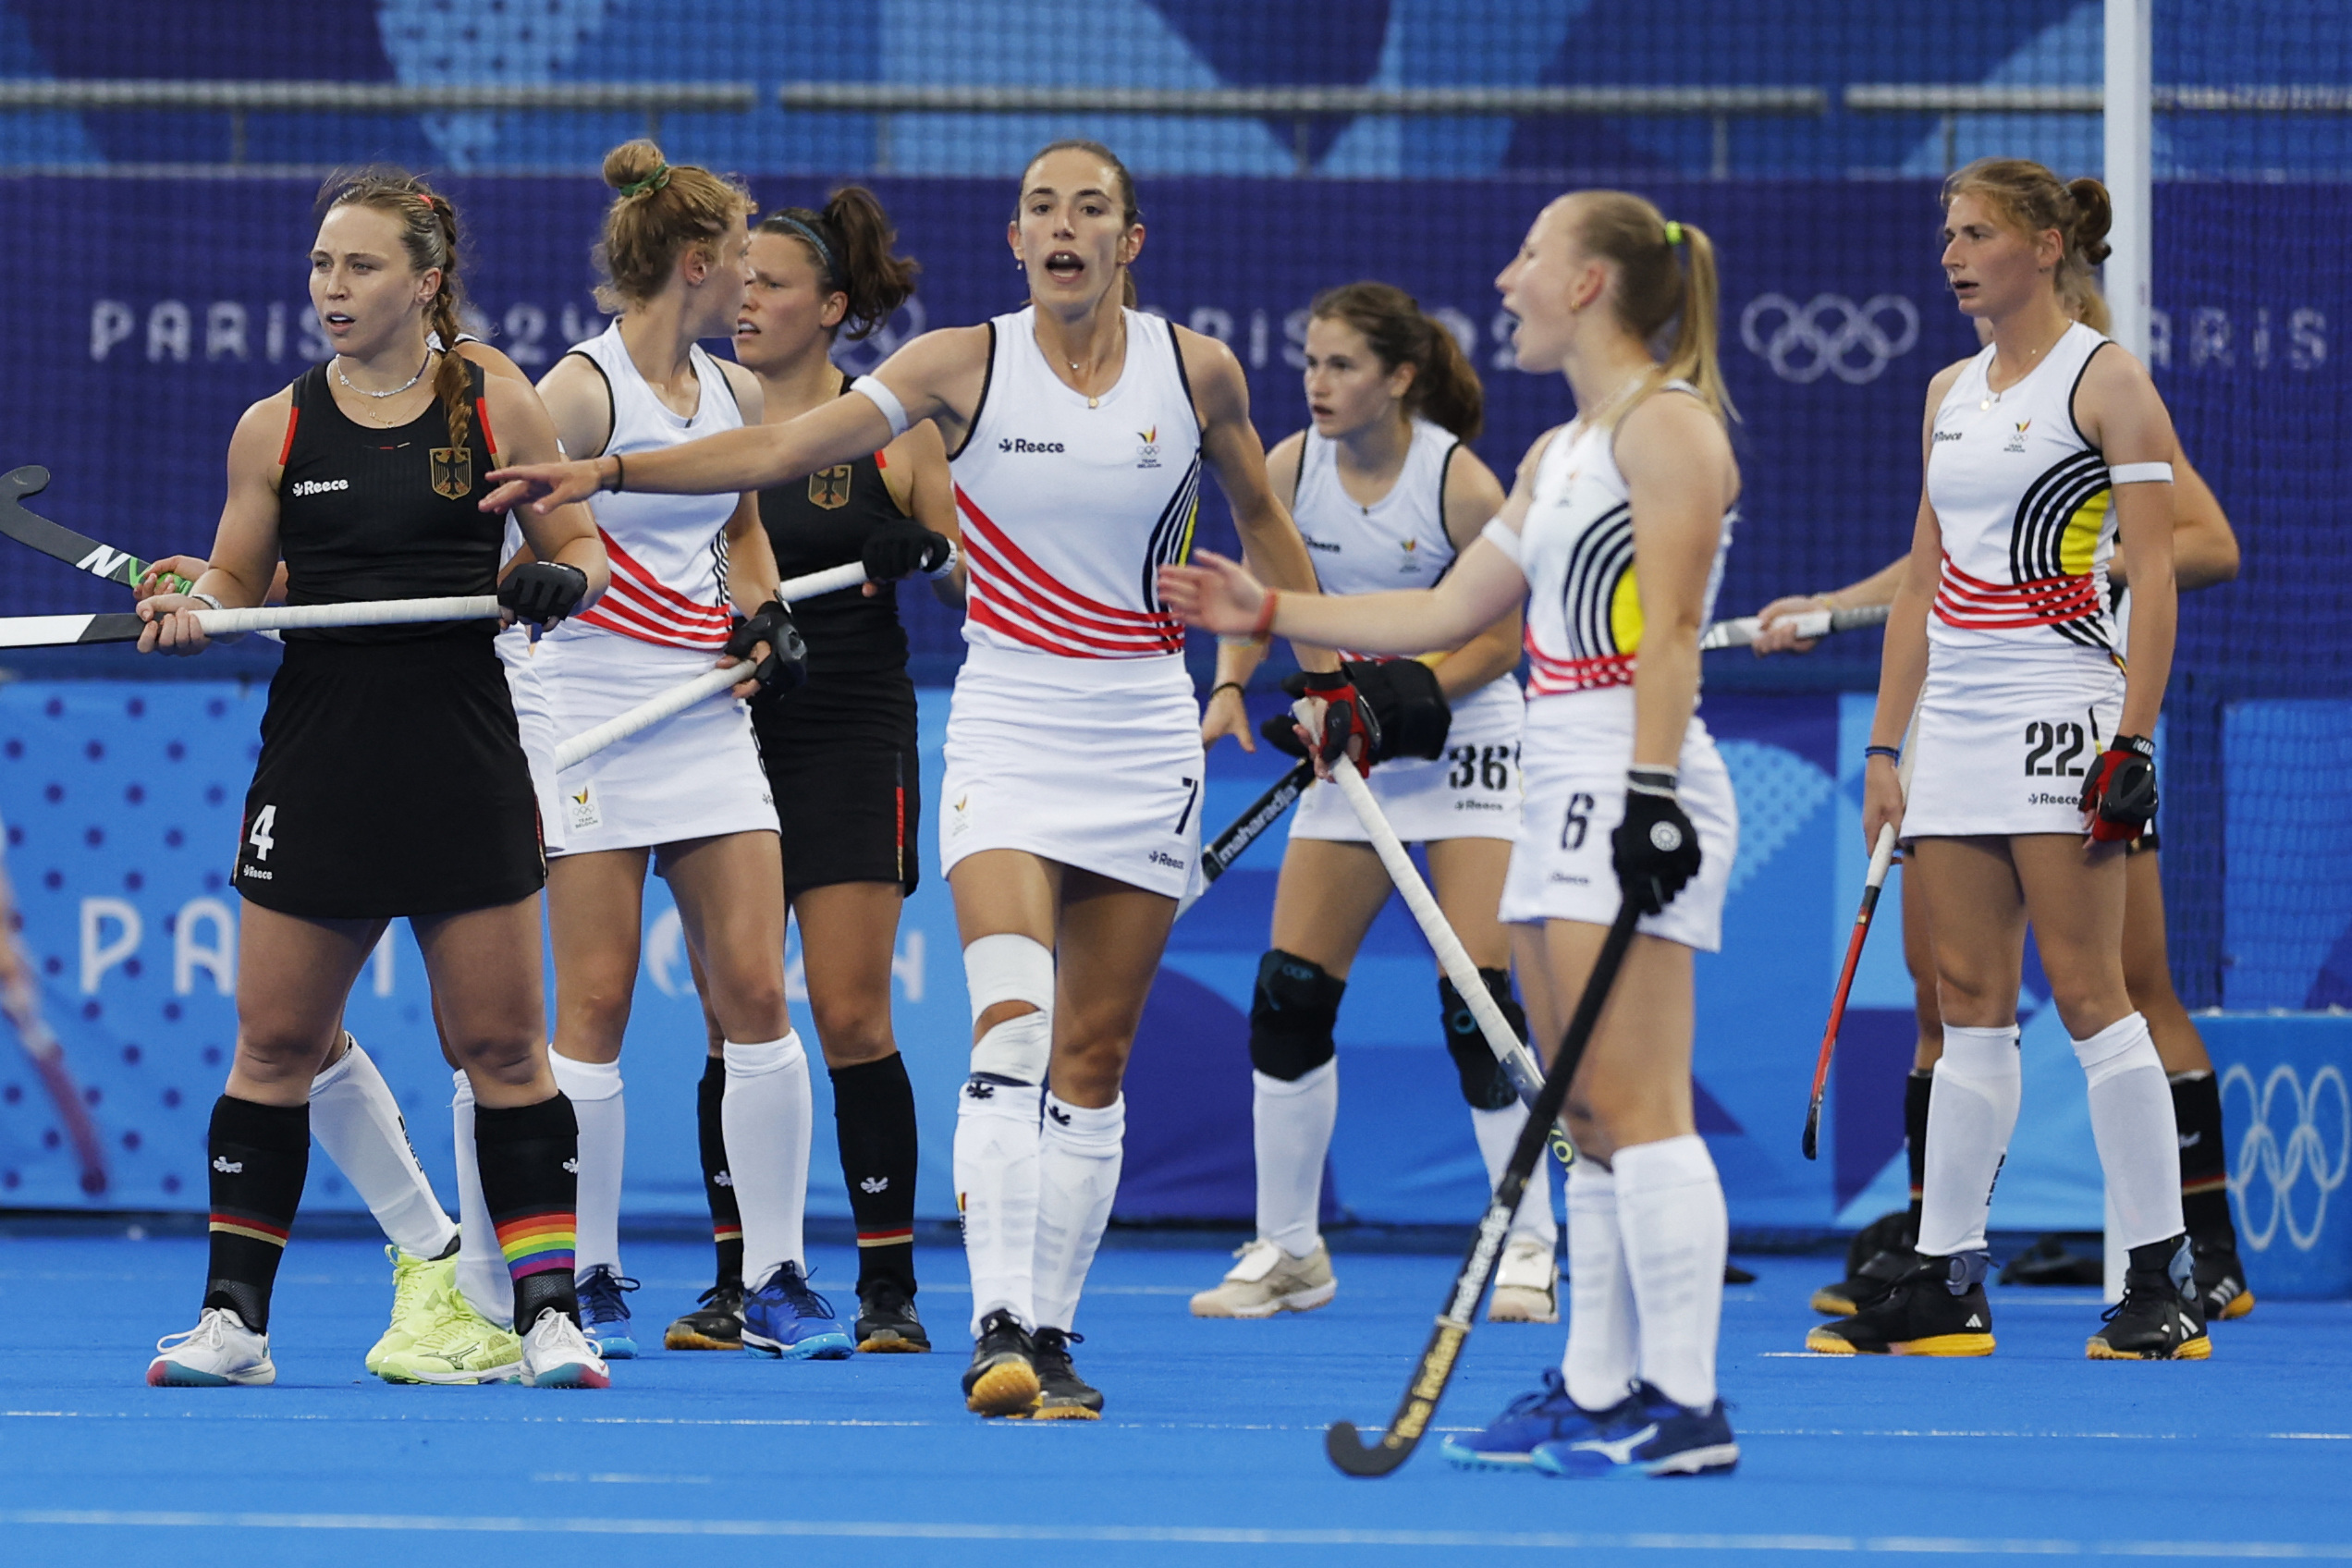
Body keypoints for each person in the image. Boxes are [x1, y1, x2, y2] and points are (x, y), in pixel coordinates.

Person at [484, 139, 1334, 1419]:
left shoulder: (1196, 371)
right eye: (1040, 204)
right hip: (1008, 725)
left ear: (1128, 240)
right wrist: (604, 473)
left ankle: (1051, 1332)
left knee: (1095, 1061)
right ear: (1016, 237)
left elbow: (1268, 535)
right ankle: (990, 1319)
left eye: (1089, 208)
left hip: (1144, 734)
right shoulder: (956, 366)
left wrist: (1303, 673)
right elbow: (778, 454)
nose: (1063, 225)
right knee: (1016, 1024)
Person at [1160, 190, 1745, 1478]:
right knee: (1587, 1112)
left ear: (1589, 284)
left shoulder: (1672, 432)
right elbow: (1441, 610)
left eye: (1532, 256)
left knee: (1639, 1107)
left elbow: (1677, 633)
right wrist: (1268, 603)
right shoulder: (1560, 453)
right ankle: (1598, 1389)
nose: (1507, 276)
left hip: (1624, 780)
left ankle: (1687, 1405)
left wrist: (1649, 793)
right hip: (1564, 784)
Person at [137, 169, 613, 1389]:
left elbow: (577, 545)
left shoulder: (492, 398)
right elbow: (239, 590)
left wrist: (560, 574)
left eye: (358, 267)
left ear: (426, 280)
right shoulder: (275, 426)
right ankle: (235, 1327)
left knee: (501, 1048)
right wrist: (191, 605)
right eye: (320, 267)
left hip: (459, 748)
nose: (331, 289)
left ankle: (549, 1318)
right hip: (322, 754)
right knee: (275, 1042)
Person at [1751, 291, 2248, 1326]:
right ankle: (1945, 1275)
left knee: (2109, 992)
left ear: (2046, 252)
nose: (1952, 260)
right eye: (1950, 236)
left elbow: (2192, 546)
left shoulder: (2105, 382)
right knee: (1957, 998)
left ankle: (2177, 1268)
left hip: (2071, 715)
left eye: (1975, 236)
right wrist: (1881, 734)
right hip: (1962, 724)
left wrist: (2130, 716)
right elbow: (1939, 570)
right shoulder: (1953, 394)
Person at [470, 140, 851, 1366]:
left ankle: (783, 1277)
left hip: (700, 708)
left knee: (754, 990)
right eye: (741, 258)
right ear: (695, 263)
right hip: (580, 710)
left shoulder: (731, 395)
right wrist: (526, 587)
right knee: (596, 999)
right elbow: (504, 556)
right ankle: (582, 1274)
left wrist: (768, 614)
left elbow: (742, 534)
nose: (752, 280)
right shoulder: (574, 394)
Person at [1182, 282, 1558, 1323]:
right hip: (1350, 757)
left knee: (1478, 1008)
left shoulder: (1460, 485)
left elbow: (1497, 637)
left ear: (1399, 378)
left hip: (1460, 748)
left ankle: (1526, 1242)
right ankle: (1291, 1249)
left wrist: (1403, 695)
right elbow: (1261, 597)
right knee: (1290, 992)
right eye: (1309, 361)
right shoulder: (1293, 469)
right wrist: (1228, 686)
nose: (1317, 382)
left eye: (1342, 364)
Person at [661, 187, 961, 1357]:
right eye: (737, 277)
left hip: (849, 734)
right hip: (724, 736)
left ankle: (888, 1289)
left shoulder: (893, 427)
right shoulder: (696, 419)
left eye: (773, 282)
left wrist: (924, 551)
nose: (745, 298)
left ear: (833, 307)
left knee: (847, 1012)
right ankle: (741, 1282)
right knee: (737, 1022)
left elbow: (971, 585)